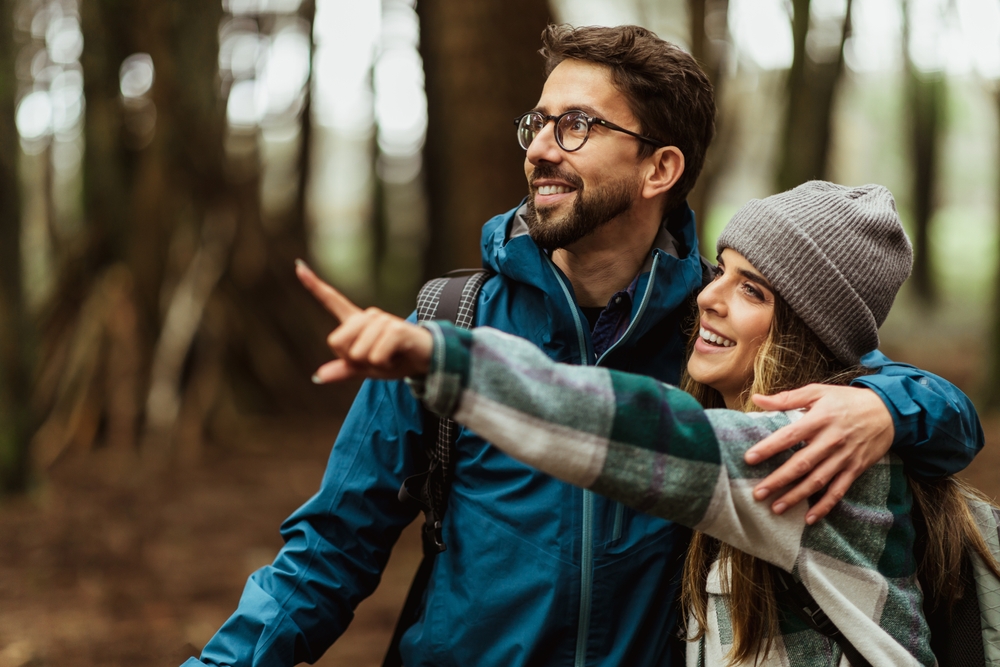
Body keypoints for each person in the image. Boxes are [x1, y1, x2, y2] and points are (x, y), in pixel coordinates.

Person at [186, 25, 983, 667]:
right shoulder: (447, 322)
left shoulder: (719, 335)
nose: (540, 147)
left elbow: (931, 411)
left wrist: (888, 405)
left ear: (659, 168)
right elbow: (327, 553)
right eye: (538, 122)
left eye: (578, 126)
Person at [302, 181, 1000, 666]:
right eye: (721, 270)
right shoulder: (828, 434)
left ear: (802, 334)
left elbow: (627, 430)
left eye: (751, 291)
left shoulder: (806, 459)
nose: (710, 296)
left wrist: (441, 355)